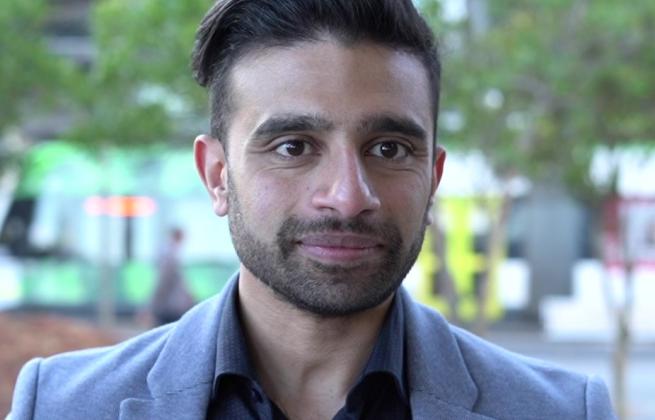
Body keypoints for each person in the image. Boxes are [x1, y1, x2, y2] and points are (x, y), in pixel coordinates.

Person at [9, 0, 616, 419]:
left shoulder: (563, 411)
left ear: (433, 176)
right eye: (294, 147)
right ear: (217, 176)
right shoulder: (61, 405)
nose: (349, 196)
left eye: (388, 148)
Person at [149, 227, 195, 326]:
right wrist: (153, 305)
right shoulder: (169, 254)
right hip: (170, 307)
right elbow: (164, 281)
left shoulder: (170, 253)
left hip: (170, 306)